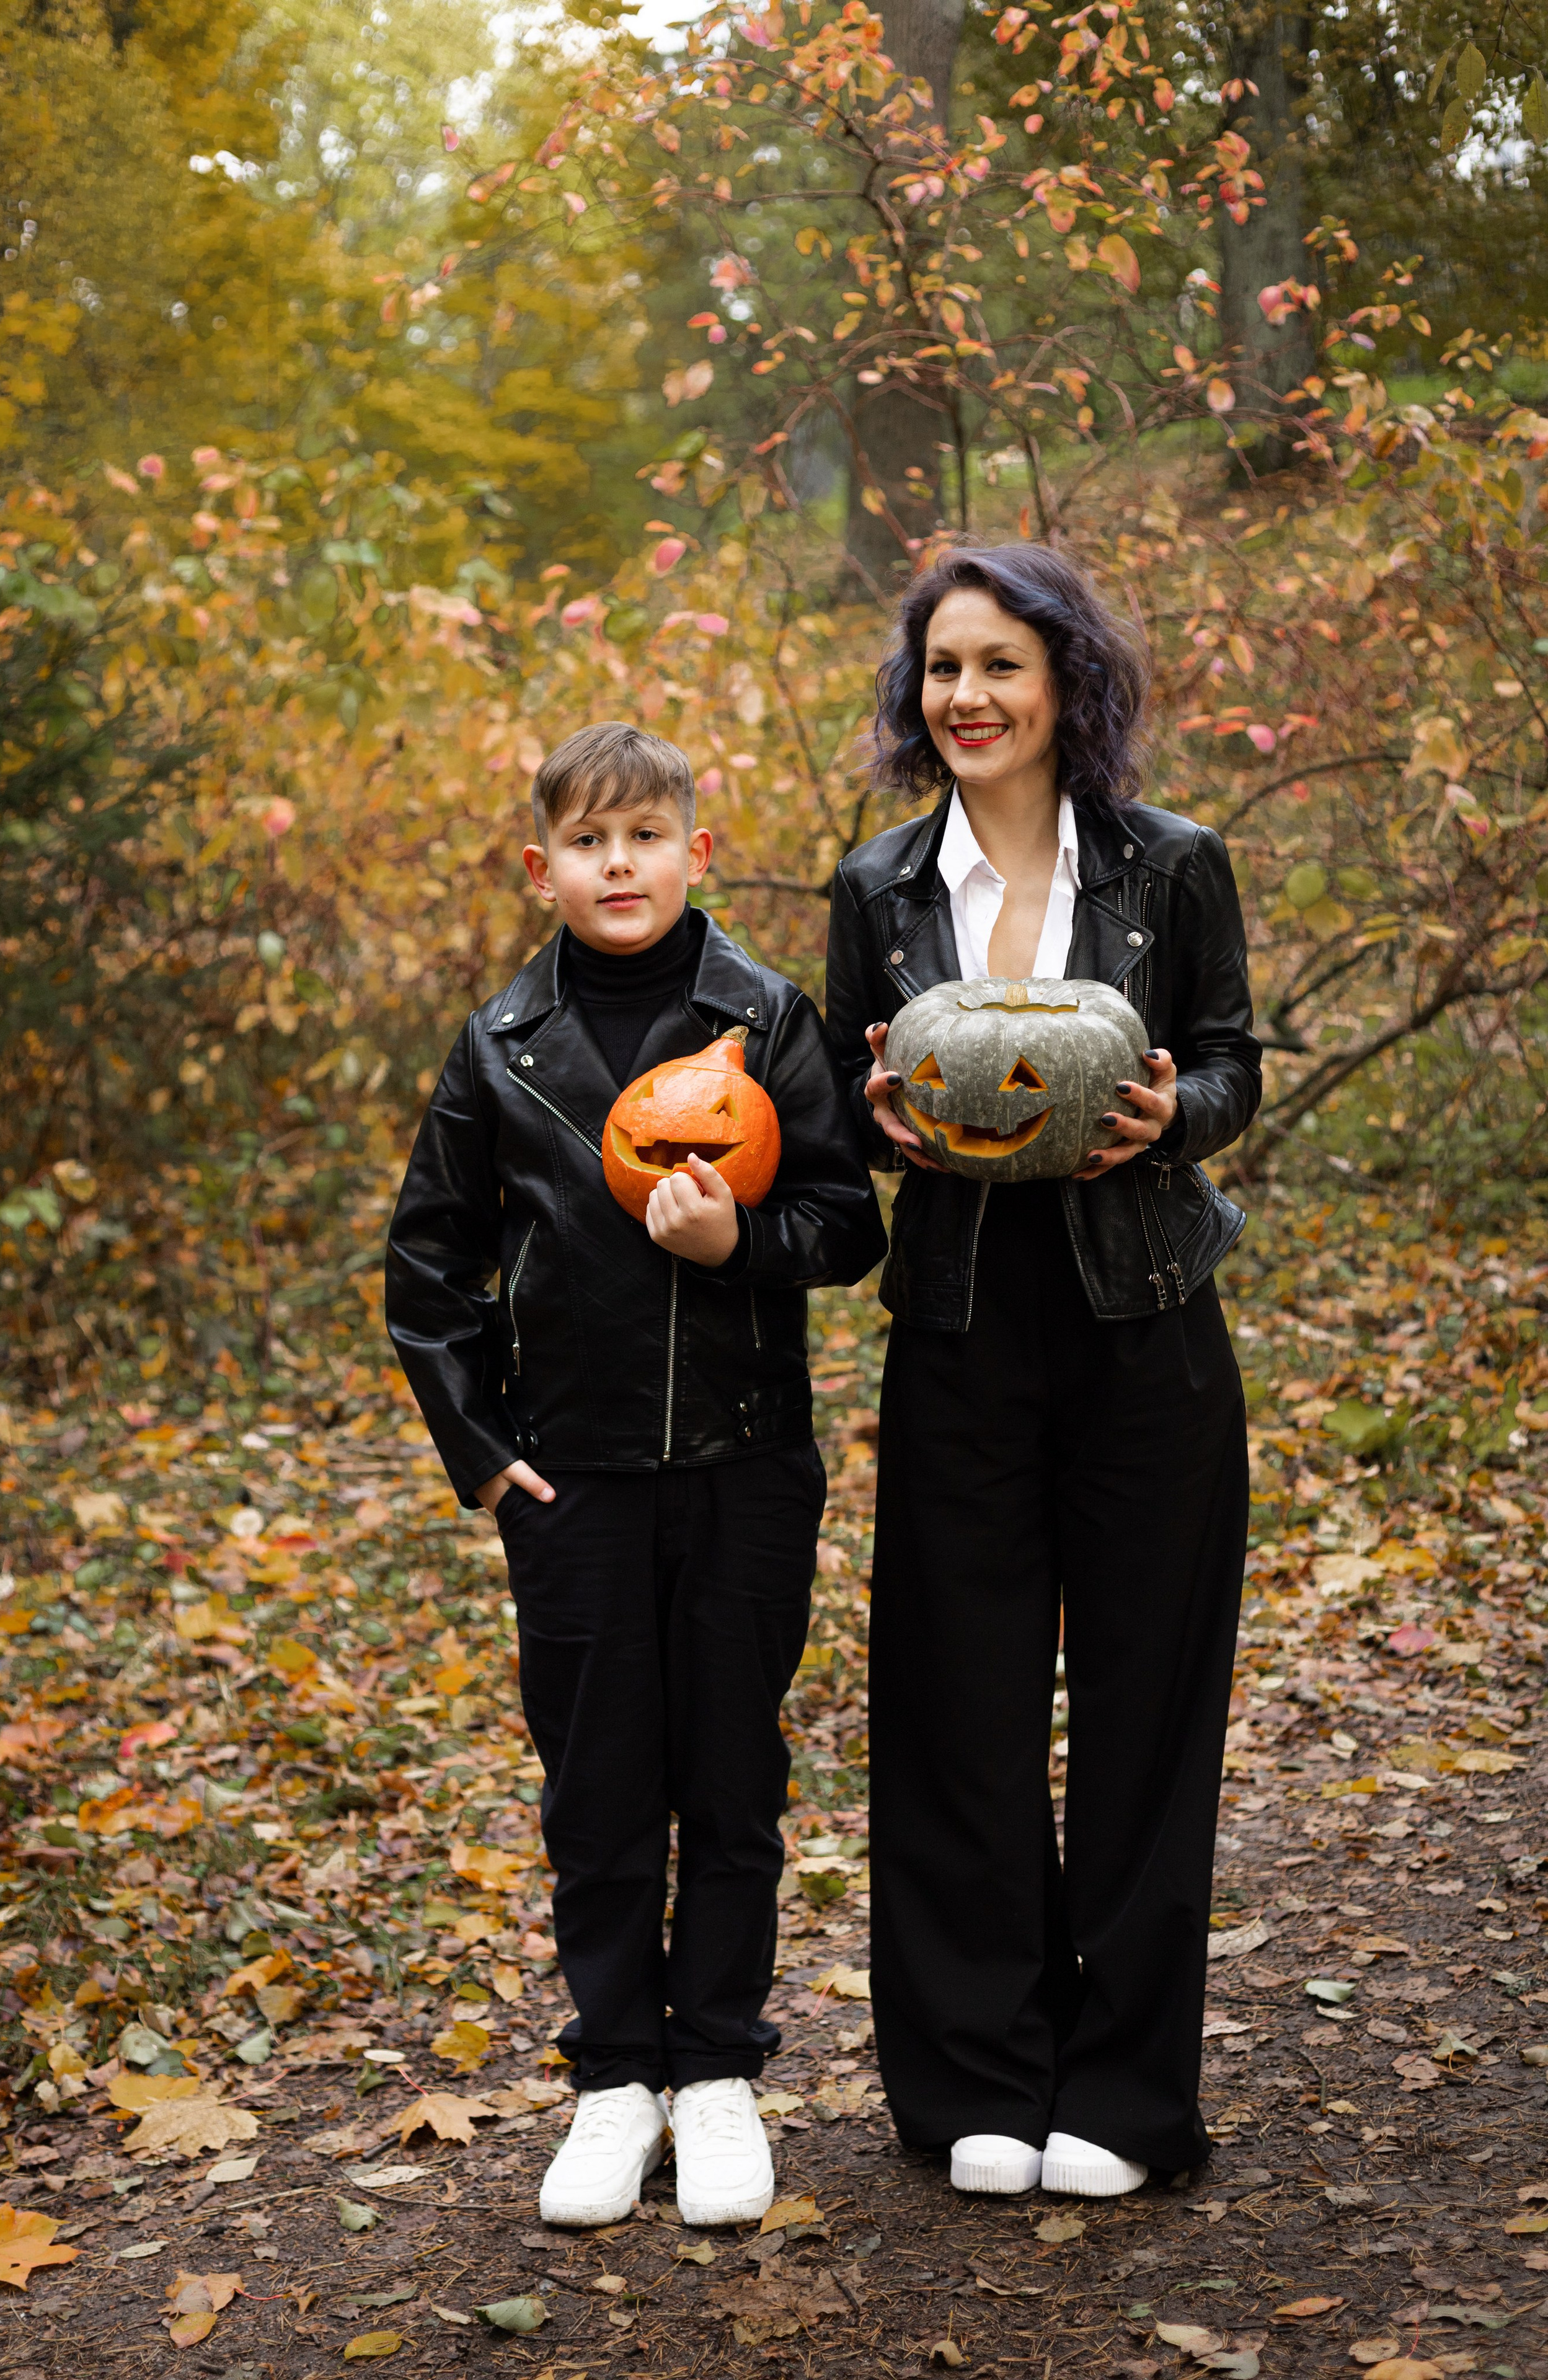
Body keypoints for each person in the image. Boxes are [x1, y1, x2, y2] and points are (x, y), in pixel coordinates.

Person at [386, 721, 887, 2229]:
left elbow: (847, 1226)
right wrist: (484, 1458)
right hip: (576, 1484)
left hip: (745, 1469)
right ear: (541, 869)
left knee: (730, 1775)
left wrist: (741, 1246)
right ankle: (616, 2076)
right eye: (589, 843)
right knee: (598, 1784)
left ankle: (720, 2071)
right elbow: (428, 1265)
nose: (620, 865)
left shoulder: (766, 1017)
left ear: (695, 853)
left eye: (646, 836)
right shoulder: (500, 1049)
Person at [825, 546, 1262, 2199]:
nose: (969, 698)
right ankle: (974, 2084)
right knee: (959, 1710)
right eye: (943, 668)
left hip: (1144, 1315)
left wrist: (1178, 1118)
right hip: (959, 1327)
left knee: (1149, 1708)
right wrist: (863, 1128)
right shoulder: (876, 889)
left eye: (1001, 664)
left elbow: (1230, 1060)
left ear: (1067, 682)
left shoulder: (1173, 865)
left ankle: (1128, 2098)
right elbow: (849, 1108)